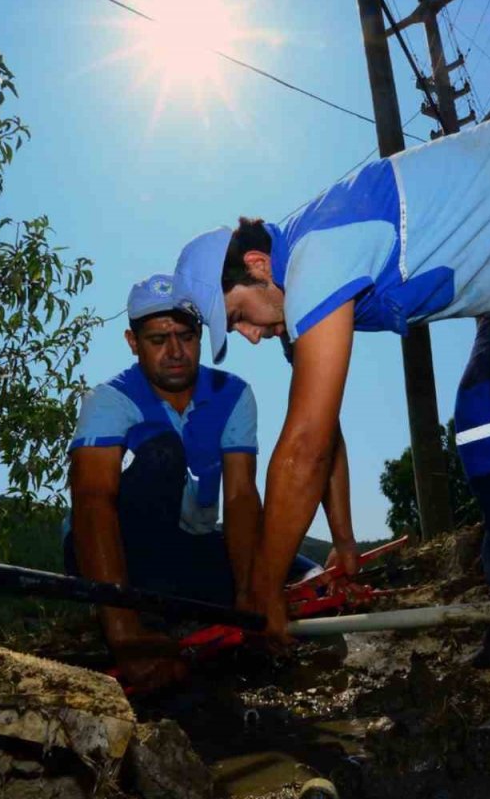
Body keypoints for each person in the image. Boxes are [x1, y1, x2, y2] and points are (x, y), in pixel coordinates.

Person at [171, 101, 490, 734]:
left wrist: (265, 590)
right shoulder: (296, 277)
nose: (247, 336)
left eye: (239, 316)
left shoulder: (314, 255)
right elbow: (323, 434)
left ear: (255, 266)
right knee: (482, 427)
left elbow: (301, 445)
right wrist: (346, 539)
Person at [65, 274, 320, 692]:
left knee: (298, 573)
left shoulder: (234, 394)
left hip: (189, 550)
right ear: (132, 342)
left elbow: (239, 497)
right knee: (164, 452)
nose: (175, 352)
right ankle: (138, 615)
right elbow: (92, 501)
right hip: (121, 550)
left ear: (201, 335)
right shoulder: (108, 399)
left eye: (185, 336)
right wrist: (123, 635)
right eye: (157, 339)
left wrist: (249, 592)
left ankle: (218, 605)